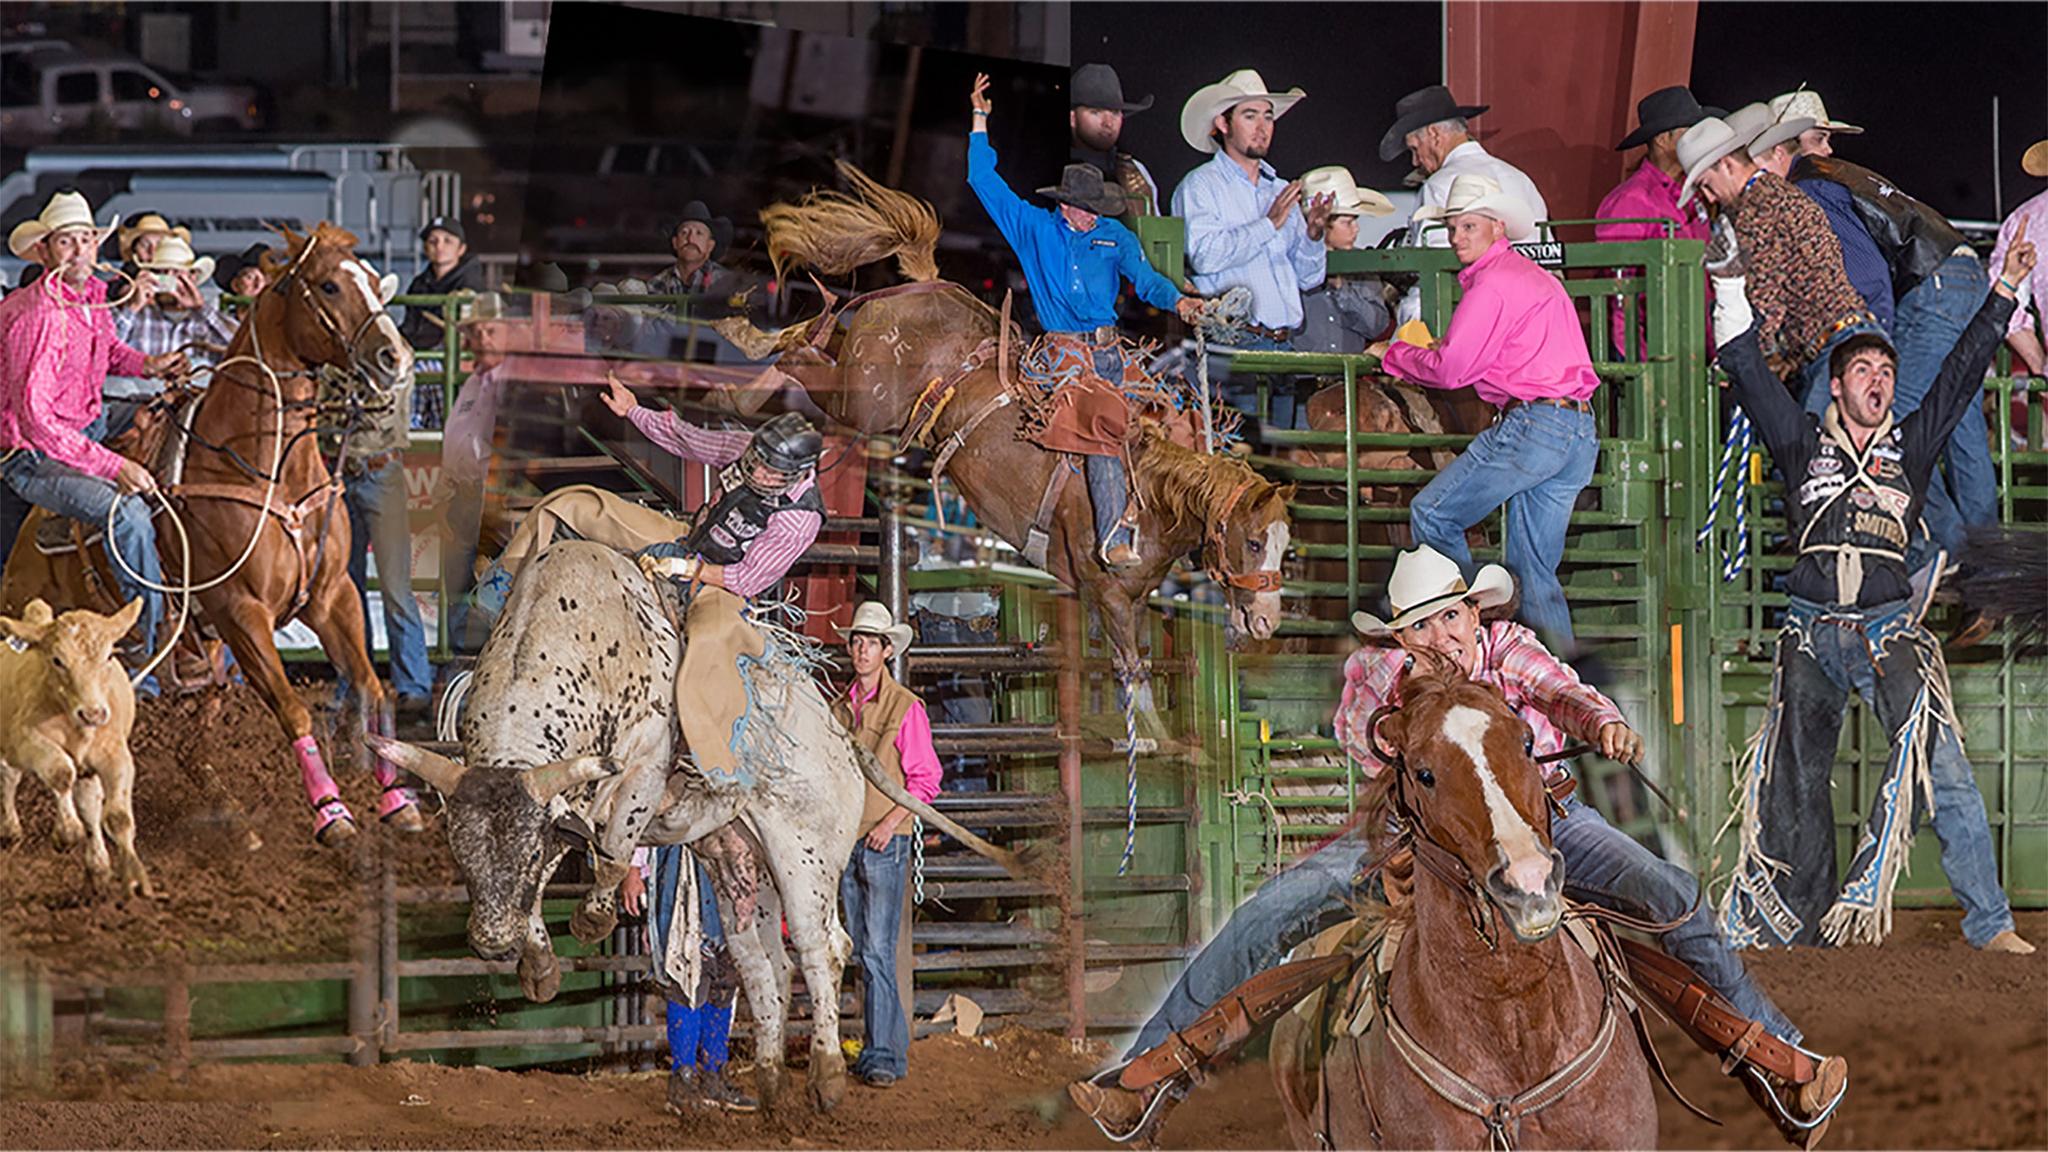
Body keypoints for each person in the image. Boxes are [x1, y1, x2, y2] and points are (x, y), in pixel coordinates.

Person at [1070, 546, 1849, 1150]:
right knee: (1268, 915)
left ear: (1475, 617)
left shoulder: (1506, 652)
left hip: (1550, 819)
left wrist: (1598, 722)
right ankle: (1147, 1074)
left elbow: (1560, 690)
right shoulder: (1378, 677)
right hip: (1419, 834)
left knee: (1672, 895)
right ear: (1401, 636)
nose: (1441, 637)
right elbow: (1365, 746)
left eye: (1452, 618)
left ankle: (1773, 1057)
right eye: (1422, 625)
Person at [1711, 216, 2037, 958]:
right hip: (1812, 633)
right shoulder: (1800, 441)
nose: (1879, 380)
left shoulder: (1911, 447)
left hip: (1889, 632)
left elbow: (1959, 376)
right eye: (1863, 370)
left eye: (1886, 372)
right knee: (1794, 781)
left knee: (1942, 770)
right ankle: (1802, 924)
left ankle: (1990, 922)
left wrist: (2006, 290)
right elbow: (1747, 367)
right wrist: (1729, 283)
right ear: (1838, 383)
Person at [967, 73, 1202, 568]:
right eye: (1086, 210)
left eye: (1098, 210)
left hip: (1111, 348)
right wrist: (979, 119)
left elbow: (1147, 280)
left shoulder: (1115, 236)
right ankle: (1111, 536)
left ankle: (1184, 533)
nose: (1093, 217)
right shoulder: (1033, 227)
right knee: (1102, 422)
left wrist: (1178, 301)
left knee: (1173, 413)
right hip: (1062, 352)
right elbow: (984, 182)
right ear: (1066, 206)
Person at [1759, 94, 1997, 571]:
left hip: (1929, 287)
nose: (1826, 149)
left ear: (1780, 151)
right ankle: (1990, 565)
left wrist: (1872, 345)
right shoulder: (1841, 179)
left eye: (1823, 139)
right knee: (1958, 418)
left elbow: (1866, 278)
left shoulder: (1810, 186)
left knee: (1891, 426)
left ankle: (1942, 546)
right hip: (1959, 273)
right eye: (1820, 137)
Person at [1363, 175, 1599, 652]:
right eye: (1453, 227)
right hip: (1577, 428)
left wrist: (1394, 355)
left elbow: (1452, 371)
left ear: (1496, 228)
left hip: (1534, 425)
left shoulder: (1491, 285)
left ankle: (1476, 633)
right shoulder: (1535, 279)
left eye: (1468, 226)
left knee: (1433, 513)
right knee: (1534, 568)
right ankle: (1559, 683)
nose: (1458, 237)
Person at [0, 191, 186, 686]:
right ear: (45, 251)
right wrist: (113, 467)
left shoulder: (93, 296)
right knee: (126, 512)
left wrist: (148, 365)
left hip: (88, 422)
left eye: (86, 239)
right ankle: (150, 654)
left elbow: (109, 351)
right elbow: (37, 421)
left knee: (175, 417)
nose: (81, 251)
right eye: (67, 242)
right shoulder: (35, 316)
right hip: (31, 452)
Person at [1676, 106, 1880, 400]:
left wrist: (1738, 359)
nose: (1708, 197)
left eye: (1706, 185)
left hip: (1835, 347)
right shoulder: (1778, 193)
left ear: (1726, 165)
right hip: (1846, 337)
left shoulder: (1757, 208)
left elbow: (1765, 301)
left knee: (1813, 445)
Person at [1172, 67, 1333, 429]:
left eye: (1268, 116)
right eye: (1249, 115)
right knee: (1242, 460)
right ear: (1223, 124)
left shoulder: (1278, 189)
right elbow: (1204, 255)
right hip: (1233, 346)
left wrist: (1313, 234)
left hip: (1283, 344)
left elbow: (1309, 279)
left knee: (1282, 464)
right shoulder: (1200, 187)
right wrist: (1269, 224)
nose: (1263, 127)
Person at [832, 602, 943, 1089]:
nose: (861, 649)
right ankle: (887, 1050)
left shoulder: (905, 707)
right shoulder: (839, 708)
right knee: (864, 949)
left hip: (882, 839)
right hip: (849, 839)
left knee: (875, 950)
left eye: (870, 642)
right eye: (856, 641)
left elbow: (926, 780)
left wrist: (891, 821)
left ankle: (882, 1056)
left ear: (886, 650)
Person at [1379, 84, 1550, 326]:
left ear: (1434, 135)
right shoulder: (1521, 180)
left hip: (1473, 318)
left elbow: (1433, 271)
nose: (1416, 161)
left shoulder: (1438, 185)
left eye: (1415, 149)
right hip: (1531, 314)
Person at [619, 844, 758, 1113]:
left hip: (725, 869)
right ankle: (683, 1079)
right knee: (684, 970)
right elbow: (644, 812)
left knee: (724, 977)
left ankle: (713, 1076)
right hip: (681, 871)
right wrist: (633, 870)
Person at [1595, 86, 1719, 357]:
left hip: (1695, 346)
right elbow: (1618, 292)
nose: (1701, 141)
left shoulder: (1693, 194)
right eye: (1691, 132)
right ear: (1664, 139)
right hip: (1659, 350)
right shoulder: (1631, 201)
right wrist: (1639, 364)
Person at [105, 232, 237, 442]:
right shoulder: (135, 315)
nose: (168, 280)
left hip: (197, 423)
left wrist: (201, 309)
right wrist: (132, 306)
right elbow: (102, 352)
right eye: (161, 273)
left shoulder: (208, 320)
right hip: (135, 417)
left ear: (192, 278)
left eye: (176, 273)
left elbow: (242, 350)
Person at [436, 292, 511, 657]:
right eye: (477, 332)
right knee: (458, 579)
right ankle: (461, 661)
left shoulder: (509, 380)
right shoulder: (474, 382)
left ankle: (481, 658)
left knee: (490, 578)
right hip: (465, 494)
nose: (483, 339)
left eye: (491, 331)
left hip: (494, 495)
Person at [1292, 166, 1394, 355]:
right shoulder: (1291, 263)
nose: (1356, 229)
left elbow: (1378, 326)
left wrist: (1342, 289)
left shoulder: (1361, 265)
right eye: (1347, 222)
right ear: (1322, 223)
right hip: (1300, 378)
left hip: (1348, 377)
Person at [1069, 63, 1162, 232]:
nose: (1108, 123)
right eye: (1096, 112)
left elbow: (1155, 235)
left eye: (1115, 113)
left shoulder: (1135, 171)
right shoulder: (1053, 169)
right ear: (1072, 118)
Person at [1992, 140, 2048, 377]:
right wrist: (2038, 363)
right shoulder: (2027, 222)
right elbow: (2006, 299)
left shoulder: (2028, 220)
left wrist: (2039, 364)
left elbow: (2005, 299)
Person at [646, 202, 745, 304]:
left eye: (699, 233)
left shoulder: (727, 284)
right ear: (675, 242)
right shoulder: (656, 284)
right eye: (684, 232)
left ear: (710, 245)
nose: (690, 239)